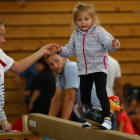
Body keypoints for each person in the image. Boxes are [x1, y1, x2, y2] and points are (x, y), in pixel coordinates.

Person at [53, 2, 120, 130]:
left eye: (86, 19)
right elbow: (70, 50)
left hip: (99, 67)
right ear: (75, 21)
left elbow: (108, 42)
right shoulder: (75, 34)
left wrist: (114, 44)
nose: (83, 22)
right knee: (85, 96)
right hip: (84, 69)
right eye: (79, 19)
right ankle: (90, 118)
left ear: (93, 19)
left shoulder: (98, 31)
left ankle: (107, 119)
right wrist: (60, 50)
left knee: (101, 93)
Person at [0, 21, 58, 131]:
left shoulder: (0, 54)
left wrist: (2, 119)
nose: (3, 40)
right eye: (1, 36)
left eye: (3, 35)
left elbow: (18, 67)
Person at [46, 54, 101, 120]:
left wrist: (63, 123)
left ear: (64, 58)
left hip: (101, 112)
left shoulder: (70, 67)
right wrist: (48, 120)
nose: (55, 66)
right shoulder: (60, 74)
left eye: (57, 61)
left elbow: (70, 98)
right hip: (90, 112)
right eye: (51, 64)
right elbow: (56, 99)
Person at [106, 55, 123, 130]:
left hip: (96, 99)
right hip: (111, 100)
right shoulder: (114, 62)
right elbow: (118, 85)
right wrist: (121, 103)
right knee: (112, 133)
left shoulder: (93, 61)